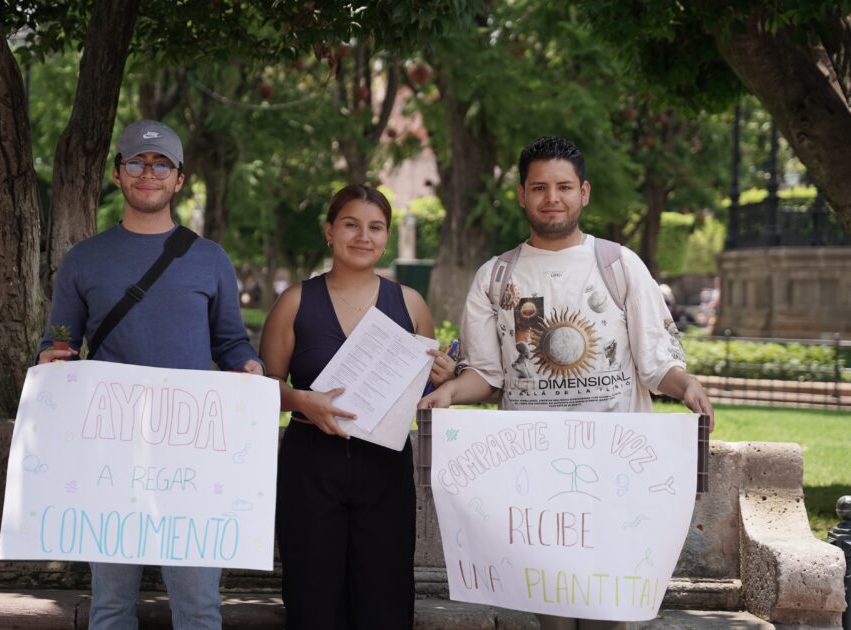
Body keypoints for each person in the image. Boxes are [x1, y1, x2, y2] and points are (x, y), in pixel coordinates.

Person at [420, 136, 713, 630]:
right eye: (539, 187)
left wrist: (687, 386)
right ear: (521, 195)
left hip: (615, 472)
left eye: (563, 187)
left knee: (607, 614)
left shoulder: (619, 266)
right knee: (551, 615)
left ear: (584, 193)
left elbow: (655, 364)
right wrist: (449, 391)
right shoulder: (495, 277)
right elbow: (486, 376)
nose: (551, 198)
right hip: (534, 475)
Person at [37, 119, 263, 629]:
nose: (148, 173)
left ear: (179, 179)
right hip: (110, 454)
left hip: (192, 456)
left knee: (199, 608)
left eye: (162, 165)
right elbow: (58, 342)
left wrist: (249, 367)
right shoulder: (83, 259)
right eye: (136, 162)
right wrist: (50, 358)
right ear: (117, 174)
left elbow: (231, 343)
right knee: (111, 606)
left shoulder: (210, 259)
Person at [259, 184, 453, 630]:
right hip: (311, 463)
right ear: (329, 231)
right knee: (312, 601)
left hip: (385, 468)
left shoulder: (410, 304)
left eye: (375, 227)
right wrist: (299, 399)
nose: (363, 236)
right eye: (351, 225)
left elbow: (423, 388)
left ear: (386, 237)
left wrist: (442, 377)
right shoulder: (295, 302)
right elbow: (264, 387)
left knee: (384, 601)